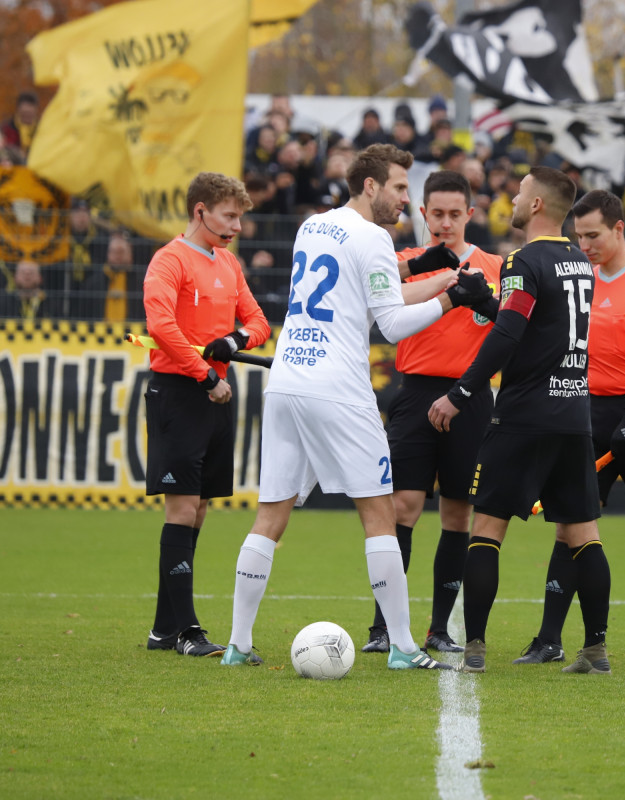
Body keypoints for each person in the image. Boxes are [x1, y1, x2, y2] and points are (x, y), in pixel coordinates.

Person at [221, 144, 490, 670]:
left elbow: (361, 285)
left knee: (270, 515)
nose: (405, 198)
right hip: (338, 389)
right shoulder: (373, 237)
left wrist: (433, 272)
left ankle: (238, 643)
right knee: (380, 515)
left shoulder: (313, 226)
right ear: (370, 186)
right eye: (399, 187)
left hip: (287, 381)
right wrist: (451, 299)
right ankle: (403, 647)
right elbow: (391, 323)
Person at [427, 166, 611, 675]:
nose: (512, 198)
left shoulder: (522, 260)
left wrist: (460, 393)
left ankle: (475, 648)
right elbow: (536, 324)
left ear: (536, 205)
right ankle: (596, 649)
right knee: (584, 533)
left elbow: (509, 334)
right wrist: (485, 300)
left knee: (487, 529)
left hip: (524, 415)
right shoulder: (580, 262)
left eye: (520, 191)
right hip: (573, 414)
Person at [515, 189, 625, 666]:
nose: (585, 245)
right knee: (570, 525)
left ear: (619, 228)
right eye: (579, 236)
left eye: (593, 235)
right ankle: (549, 640)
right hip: (585, 416)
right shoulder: (580, 279)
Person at [358, 170, 503, 655]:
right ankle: (384, 626)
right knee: (401, 507)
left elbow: (512, 327)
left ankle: (439, 628)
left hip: (472, 397)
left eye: (454, 214)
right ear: (423, 213)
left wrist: (489, 300)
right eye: (436, 213)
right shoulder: (406, 261)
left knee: (458, 513)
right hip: (416, 393)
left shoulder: (494, 267)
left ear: (470, 215)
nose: (445, 223)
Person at [141, 172, 272, 657]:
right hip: (181, 393)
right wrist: (205, 375)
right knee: (181, 509)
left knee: (197, 510)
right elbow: (161, 326)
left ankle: (163, 629)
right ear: (201, 211)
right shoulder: (169, 260)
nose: (237, 226)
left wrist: (234, 340)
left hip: (215, 393)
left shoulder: (229, 262)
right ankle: (188, 632)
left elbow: (258, 322)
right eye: (229, 216)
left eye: (239, 217)